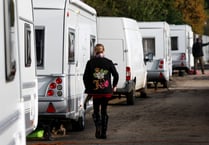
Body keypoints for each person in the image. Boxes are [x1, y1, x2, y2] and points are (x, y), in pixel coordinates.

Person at [83, 43, 119, 139]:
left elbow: (85, 77)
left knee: (96, 111)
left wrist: (88, 87)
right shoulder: (108, 62)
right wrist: (114, 86)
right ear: (104, 51)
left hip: (95, 92)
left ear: (95, 51)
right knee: (104, 111)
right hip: (106, 91)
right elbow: (116, 75)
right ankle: (104, 132)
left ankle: (98, 126)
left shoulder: (90, 62)